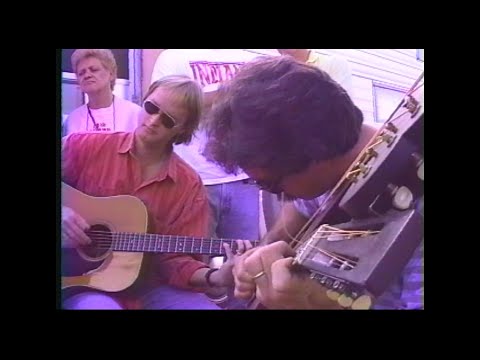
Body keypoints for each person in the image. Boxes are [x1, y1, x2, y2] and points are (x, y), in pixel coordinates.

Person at [203, 56, 424, 310]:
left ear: (314, 156)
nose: (279, 195)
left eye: (271, 185)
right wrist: (260, 255)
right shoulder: (333, 174)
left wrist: (315, 304)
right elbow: (296, 215)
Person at [61, 75, 252, 310]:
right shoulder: (86, 147)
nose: (152, 121)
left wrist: (216, 277)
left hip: (154, 288)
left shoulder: (188, 185)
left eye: (168, 120)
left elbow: (179, 262)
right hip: (85, 283)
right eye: (151, 108)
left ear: (182, 129)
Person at [150, 49, 263, 307]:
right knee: (193, 266)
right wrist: (226, 95)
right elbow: (169, 106)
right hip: (192, 180)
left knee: (246, 264)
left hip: (242, 178)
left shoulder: (253, 56)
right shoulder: (174, 56)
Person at [63, 49, 142, 135]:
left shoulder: (135, 114)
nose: (87, 75)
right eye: (81, 73)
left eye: (94, 70)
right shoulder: (72, 121)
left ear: (111, 74)